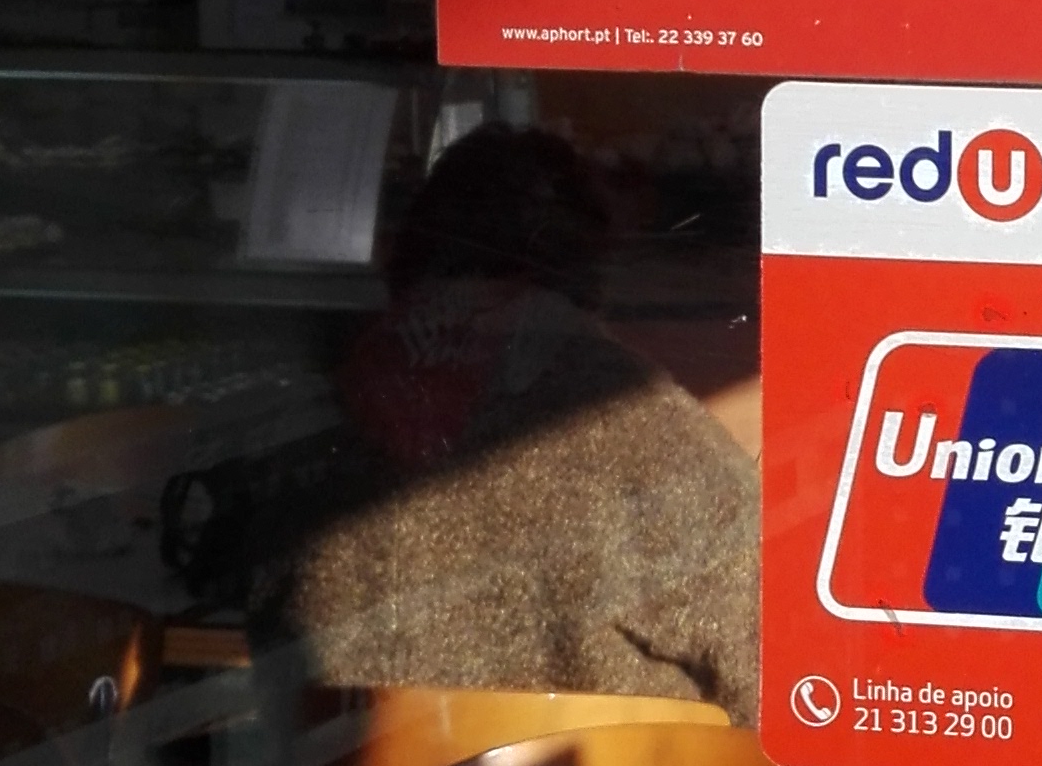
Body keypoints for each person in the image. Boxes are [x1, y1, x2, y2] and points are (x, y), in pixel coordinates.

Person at [269, 124, 757, 709]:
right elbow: (766, 653)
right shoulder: (614, 411)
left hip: (357, 765)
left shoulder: (319, 402)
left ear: (412, 247)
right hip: (590, 765)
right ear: (589, 258)